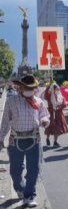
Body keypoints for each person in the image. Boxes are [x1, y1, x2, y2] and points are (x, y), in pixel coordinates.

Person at [0, 75, 50, 208]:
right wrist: (0, 138)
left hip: (34, 139)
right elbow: (5, 121)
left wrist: (45, 120)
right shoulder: (11, 101)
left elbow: (44, 114)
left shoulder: (39, 101)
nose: (30, 90)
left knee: (34, 169)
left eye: (32, 88)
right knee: (15, 171)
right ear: (20, 87)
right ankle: (20, 190)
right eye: (27, 87)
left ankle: (29, 195)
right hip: (15, 140)